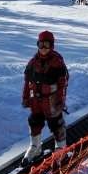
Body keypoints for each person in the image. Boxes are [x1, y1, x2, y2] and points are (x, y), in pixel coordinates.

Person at [22, 31, 69, 166]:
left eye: (46, 45)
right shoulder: (32, 63)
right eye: (40, 44)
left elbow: (62, 85)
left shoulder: (57, 63)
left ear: (52, 46)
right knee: (34, 121)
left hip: (52, 101)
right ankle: (35, 147)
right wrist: (25, 97)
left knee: (56, 124)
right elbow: (27, 82)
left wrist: (60, 100)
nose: (43, 48)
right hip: (36, 101)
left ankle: (61, 149)